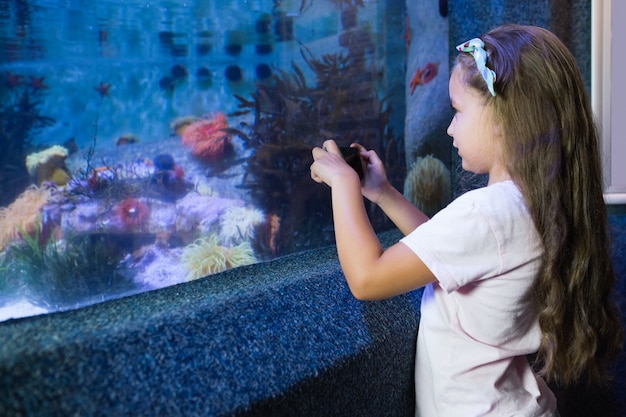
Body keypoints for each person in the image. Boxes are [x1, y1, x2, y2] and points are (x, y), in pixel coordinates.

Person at [310, 24, 624, 417]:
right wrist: (384, 194)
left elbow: (367, 277)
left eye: (457, 111)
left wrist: (342, 182)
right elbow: (448, 252)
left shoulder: (487, 213)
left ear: (505, 118)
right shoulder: (529, 205)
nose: (449, 127)